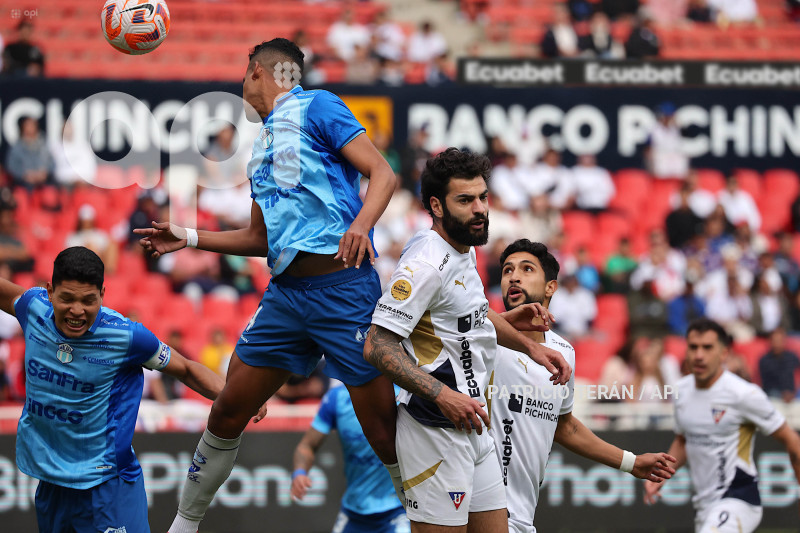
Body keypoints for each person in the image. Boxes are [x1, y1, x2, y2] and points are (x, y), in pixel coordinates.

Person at [135, 38, 400, 533]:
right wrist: (189, 236)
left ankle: (434, 521)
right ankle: (183, 527)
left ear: (257, 70)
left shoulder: (318, 105)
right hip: (286, 297)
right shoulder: (260, 146)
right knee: (228, 409)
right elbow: (260, 238)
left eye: (243, 74)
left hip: (343, 289)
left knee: (384, 436)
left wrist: (362, 224)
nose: (241, 84)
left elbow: (383, 173)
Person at [364, 148, 571, 532]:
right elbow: (377, 345)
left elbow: (471, 315)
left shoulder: (463, 248)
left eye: (483, 197)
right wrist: (444, 396)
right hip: (434, 431)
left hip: (475, 426)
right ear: (436, 206)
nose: (480, 209)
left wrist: (531, 346)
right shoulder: (426, 264)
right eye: (465, 200)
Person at [1, 246, 259, 532]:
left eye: (88, 300)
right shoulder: (32, 307)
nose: (77, 311)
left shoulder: (126, 336)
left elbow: (186, 369)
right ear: (49, 292)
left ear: (102, 294)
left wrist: (241, 398)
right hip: (52, 484)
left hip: (108, 486)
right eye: (67, 299)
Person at [491, 239, 676, 533]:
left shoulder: (563, 352)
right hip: (479, 510)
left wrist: (631, 462)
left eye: (526, 269)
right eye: (507, 271)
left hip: (522, 512)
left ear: (551, 287)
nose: (513, 277)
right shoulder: (482, 341)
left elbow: (564, 425)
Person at [644, 318, 800, 532]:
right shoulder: (681, 391)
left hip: (738, 499)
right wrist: (662, 473)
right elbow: (683, 440)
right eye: (693, 347)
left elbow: (791, 439)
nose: (699, 355)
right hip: (704, 505)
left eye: (707, 347)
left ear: (724, 353)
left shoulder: (743, 394)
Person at [291, 384, 410, 533]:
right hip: (353, 513)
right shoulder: (336, 398)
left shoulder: (404, 394)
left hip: (399, 510)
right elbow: (307, 446)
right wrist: (300, 472)